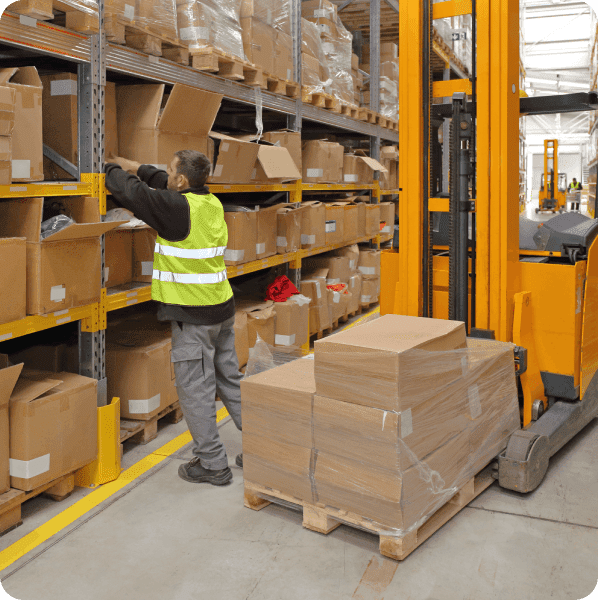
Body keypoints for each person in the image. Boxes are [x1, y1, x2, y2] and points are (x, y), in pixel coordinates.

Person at [105, 151, 243, 487]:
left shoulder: (175, 209)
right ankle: (264, 449)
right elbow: (158, 186)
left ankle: (212, 464)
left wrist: (107, 167)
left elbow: (135, 194)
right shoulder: (208, 202)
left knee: (195, 390)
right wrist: (136, 166)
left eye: (170, 170)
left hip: (194, 316)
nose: (165, 174)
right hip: (221, 310)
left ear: (181, 181)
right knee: (230, 382)